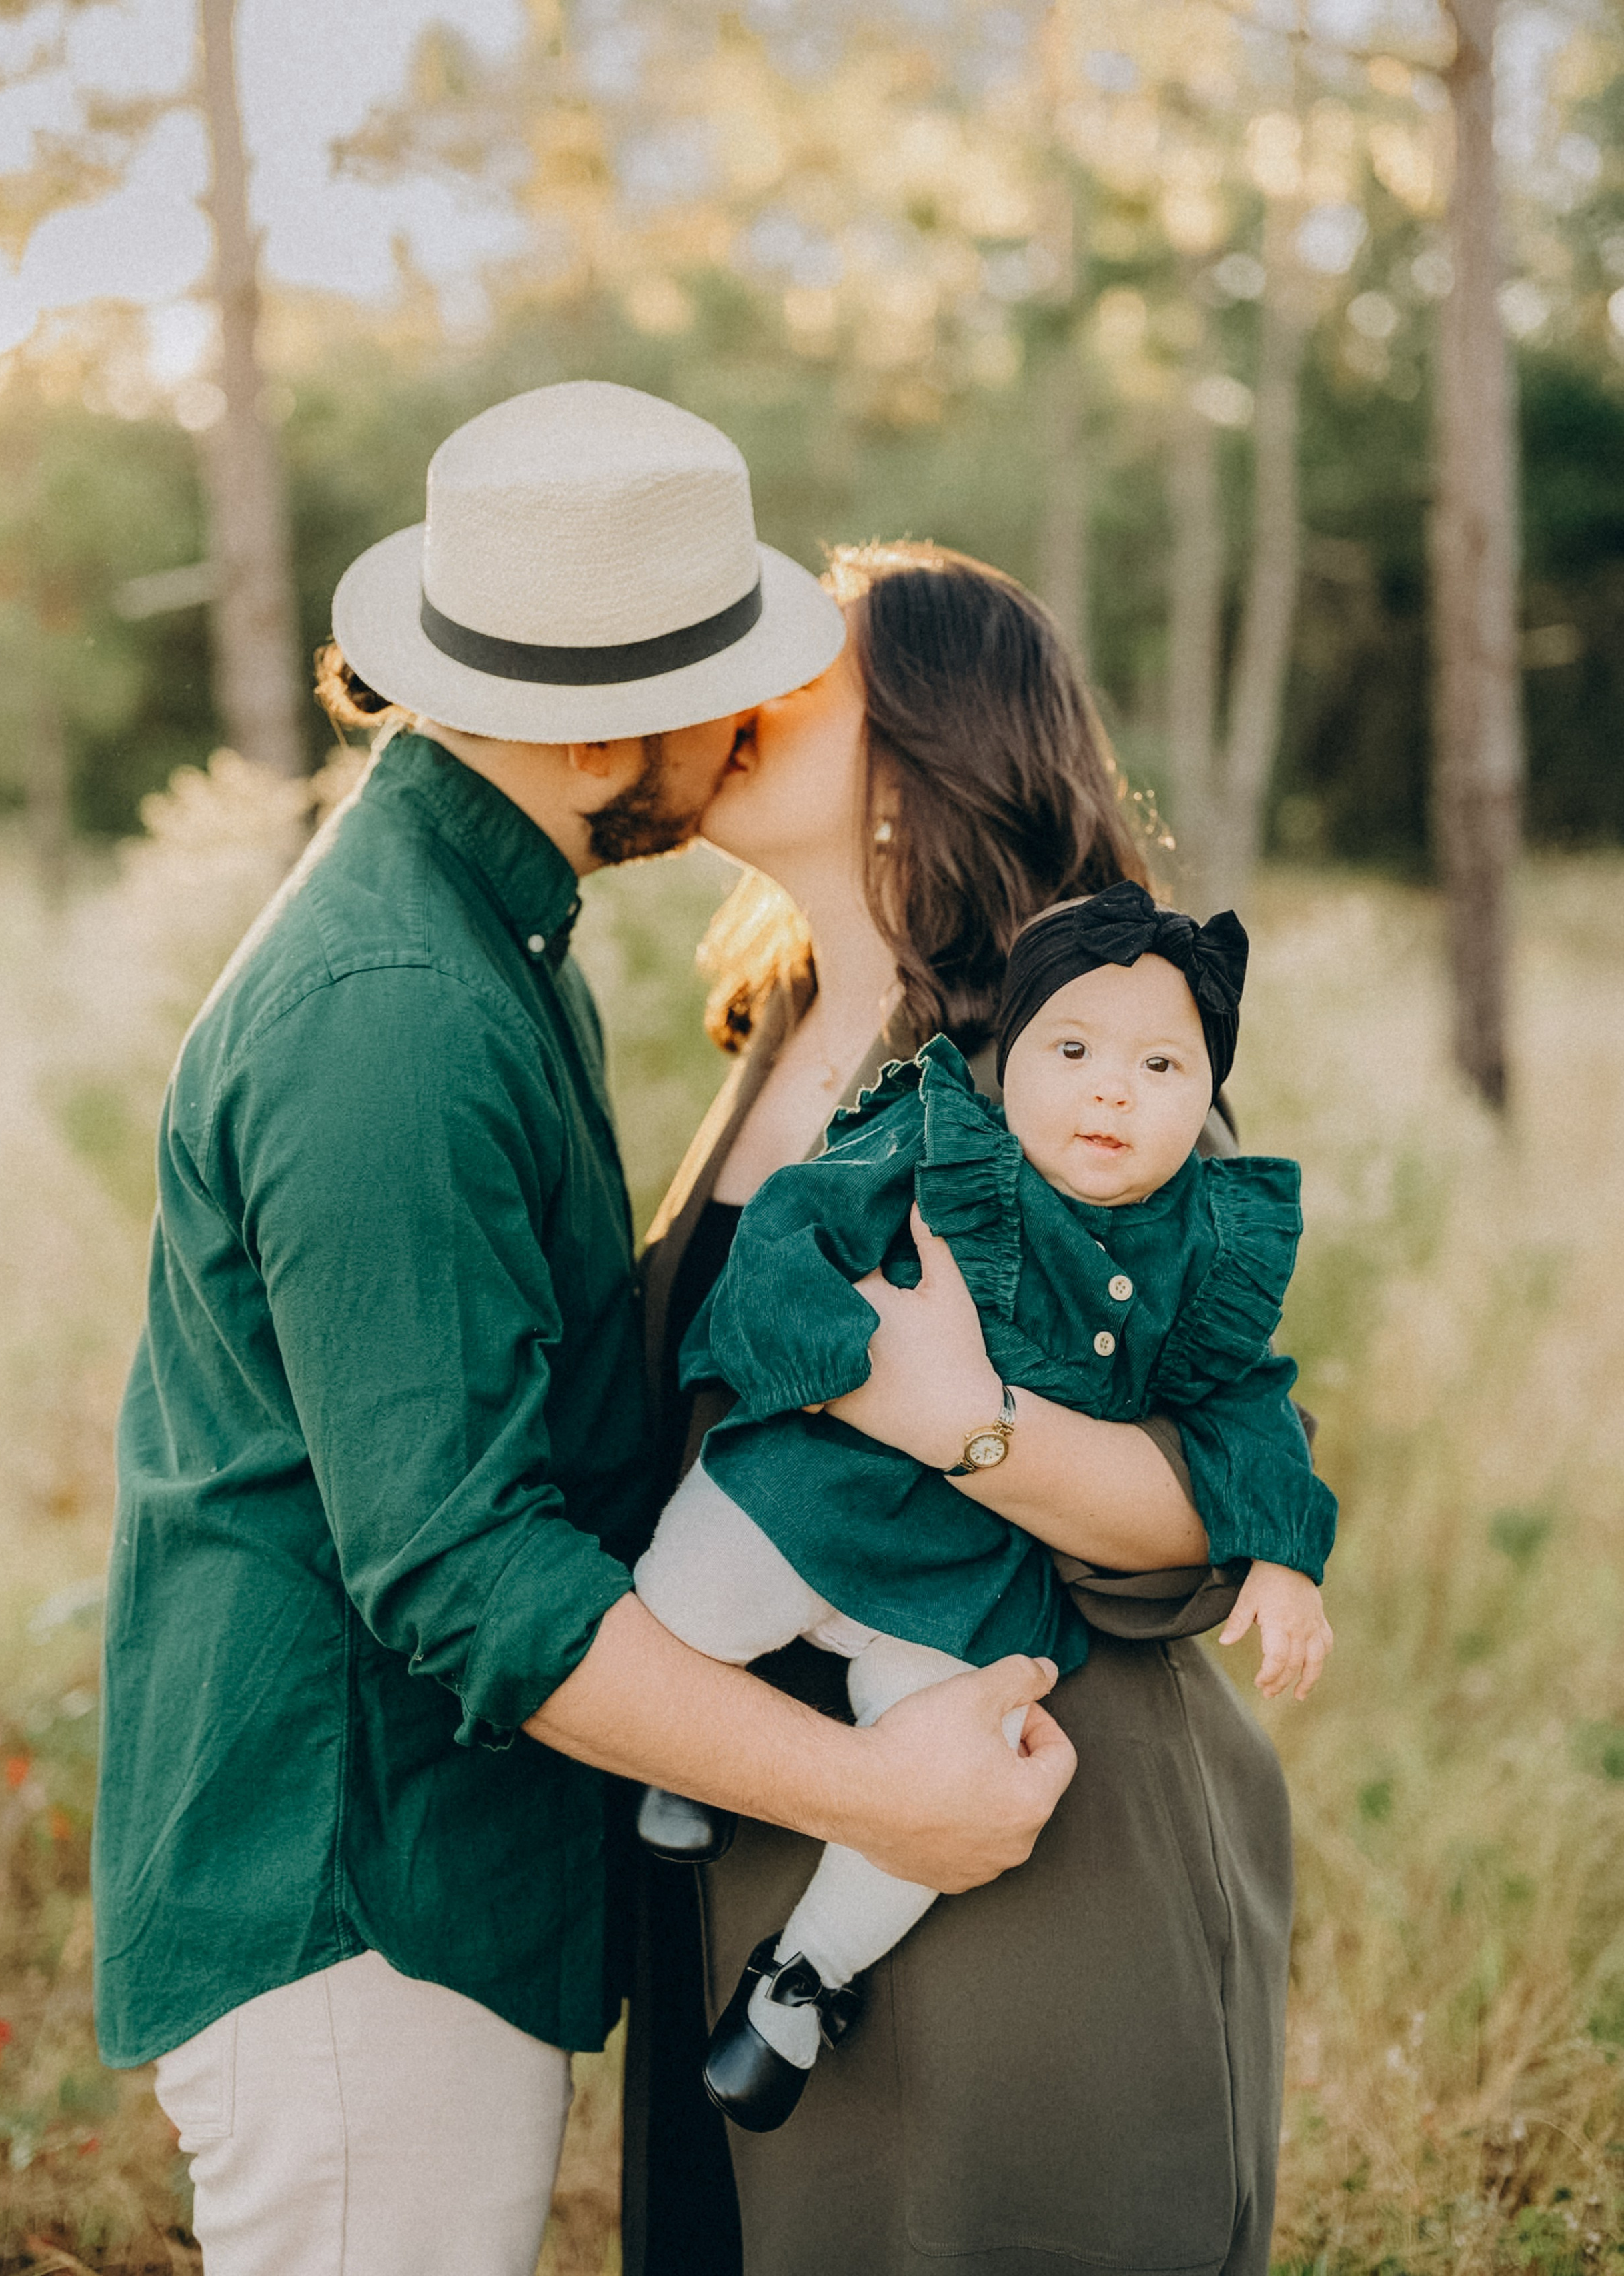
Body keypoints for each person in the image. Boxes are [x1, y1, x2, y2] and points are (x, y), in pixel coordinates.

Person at [91, 390, 1073, 2276]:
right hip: (363, 1889)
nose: (749, 725)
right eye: (735, 682)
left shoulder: (489, 945)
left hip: (436, 1866)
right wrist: (879, 1795)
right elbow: (461, 1567)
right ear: (617, 717)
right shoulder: (394, 1010)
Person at [625, 543, 1306, 2276]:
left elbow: (1204, 1498)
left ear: (928, 743)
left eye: (800, 673)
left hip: (1032, 1877)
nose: (737, 698)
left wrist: (966, 1419)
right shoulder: (787, 1018)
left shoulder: (1075, 1052)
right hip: (760, 1834)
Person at [633, 882, 1335, 2129]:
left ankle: (800, 1982)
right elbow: (788, 1231)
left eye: (1162, 1064)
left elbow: (1249, 1409)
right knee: (698, 1562)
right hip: (821, 1491)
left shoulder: (1202, 1249)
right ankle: (685, 1762)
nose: (1112, 1090)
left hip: (964, 1586)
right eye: (1072, 1052)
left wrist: (1285, 1559)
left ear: (1207, 1094)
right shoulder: (935, 1135)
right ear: (1010, 1058)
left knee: (970, 1768)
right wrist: (831, 1365)